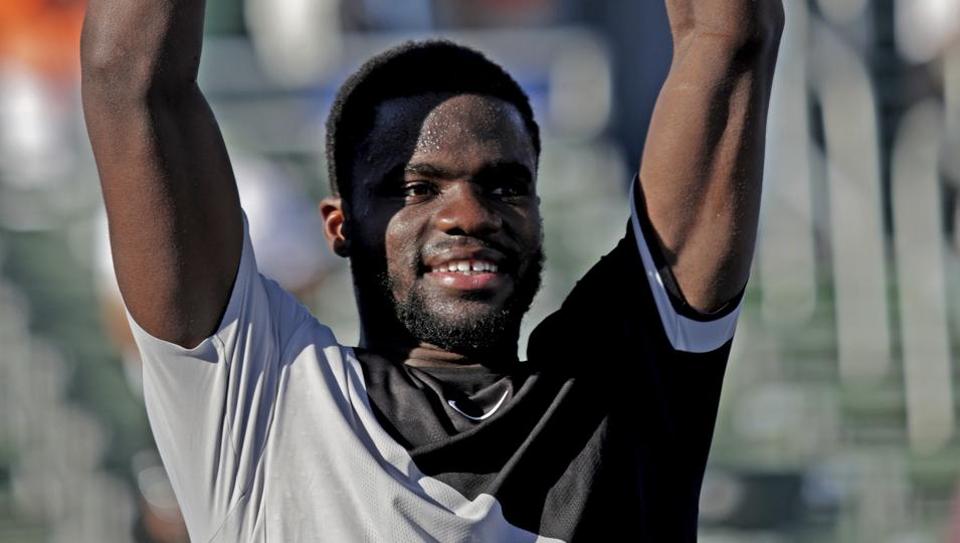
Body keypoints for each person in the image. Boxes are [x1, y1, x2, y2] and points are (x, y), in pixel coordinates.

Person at [81, 0, 783, 540]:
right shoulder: (261, 399)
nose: (468, 214)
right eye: (416, 188)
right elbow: (130, 78)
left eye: (505, 185)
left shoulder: (621, 391)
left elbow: (729, 39)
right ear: (341, 226)